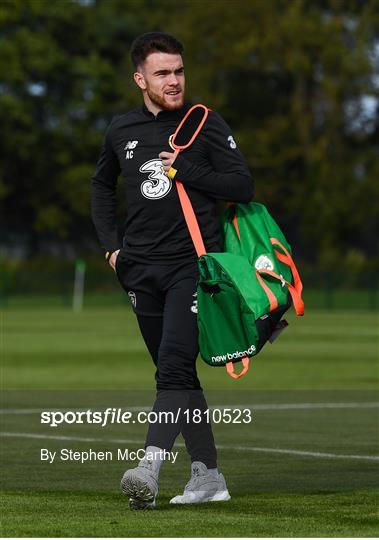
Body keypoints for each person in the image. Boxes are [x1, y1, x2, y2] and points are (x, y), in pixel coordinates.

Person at [91, 31, 254, 510]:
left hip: (192, 269)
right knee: (175, 373)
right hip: (139, 270)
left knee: (175, 370)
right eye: (163, 72)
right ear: (140, 78)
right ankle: (208, 476)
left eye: (179, 71)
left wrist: (185, 171)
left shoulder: (204, 123)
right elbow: (101, 185)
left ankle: (149, 466)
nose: (174, 80)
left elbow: (241, 185)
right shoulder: (120, 130)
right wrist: (110, 249)